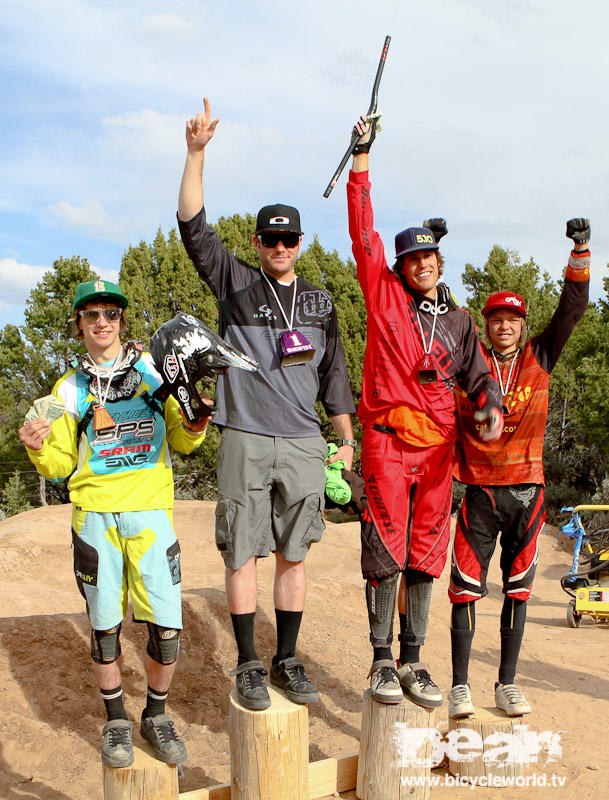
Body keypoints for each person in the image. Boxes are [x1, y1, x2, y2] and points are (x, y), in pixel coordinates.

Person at [177, 98, 356, 710]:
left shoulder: (322, 303)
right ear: (257, 241)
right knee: (242, 551)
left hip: (306, 443)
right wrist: (196, 155)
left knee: (294, 552)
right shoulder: (234, 283)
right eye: (270, 237)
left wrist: (345, 436)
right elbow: (193, 229)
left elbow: (334, 375)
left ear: (301, 243)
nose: (279, 246)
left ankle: (287, 658)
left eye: (289, 238)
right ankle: (249, 663)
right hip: (247, 436)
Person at [19, 280, 210, 768]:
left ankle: (156, 715)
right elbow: (61, 464)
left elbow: (185, 441)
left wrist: (196, 419)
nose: (101, 321)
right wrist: (37, 447)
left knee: (167, 630)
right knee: (105, 630)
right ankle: (116, 722)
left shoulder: (152, 369)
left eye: (110, 313)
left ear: (122, 320)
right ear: (79, 325)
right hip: (95, 518)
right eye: (91, 314)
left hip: (150, 514)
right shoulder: (67, 390)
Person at [346, 115, 503, 706]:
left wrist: (487, 403)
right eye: (412, 259)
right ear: (401, 268)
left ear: (440, 262)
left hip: (439, 451)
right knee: (385, 549)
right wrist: (362, 160)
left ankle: (414, 662)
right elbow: (365, 234)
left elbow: (478, 376)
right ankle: (381, 661)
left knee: (425, 554)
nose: (422, 264)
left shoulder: (461, 322)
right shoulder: (383, 293)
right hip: (387, 439)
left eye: (430, 257)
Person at [448, 219, 591, 718]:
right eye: (496, 318)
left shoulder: (541, 355)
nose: (504, 325)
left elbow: (573, 309)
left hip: (527, 492)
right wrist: (437, 250)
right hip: (479, 491)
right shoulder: (471, 360)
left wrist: (580, 251)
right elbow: (440, 316)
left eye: (512, 318)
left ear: (523, 324)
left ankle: (506, 684)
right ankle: (460, 686)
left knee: (518, 587)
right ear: (486, 324)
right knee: (464, 585)